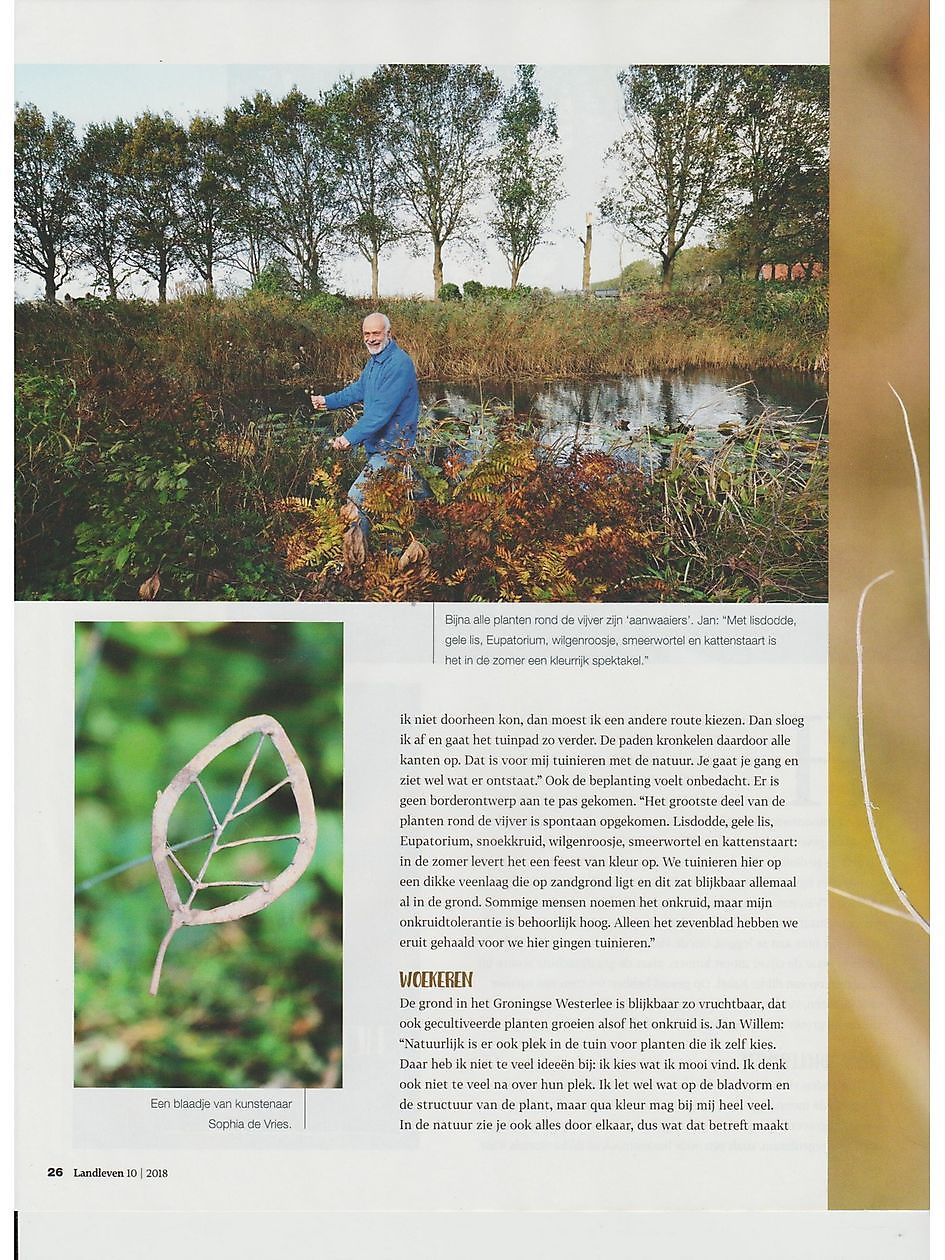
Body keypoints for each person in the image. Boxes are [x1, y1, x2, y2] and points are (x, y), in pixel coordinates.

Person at [311, 312, 424, 536]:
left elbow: (380, 413)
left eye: (376, 333)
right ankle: (414, 536)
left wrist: (348, 438)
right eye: (366, 334)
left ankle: (356, 559)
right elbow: (359, 389)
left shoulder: (399, 364)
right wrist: (328, 401)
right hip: (377, 446)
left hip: (393, 448)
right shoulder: (375, 362)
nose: (371, 338)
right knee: (400, 499)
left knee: (357, 499)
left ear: (388, 334)